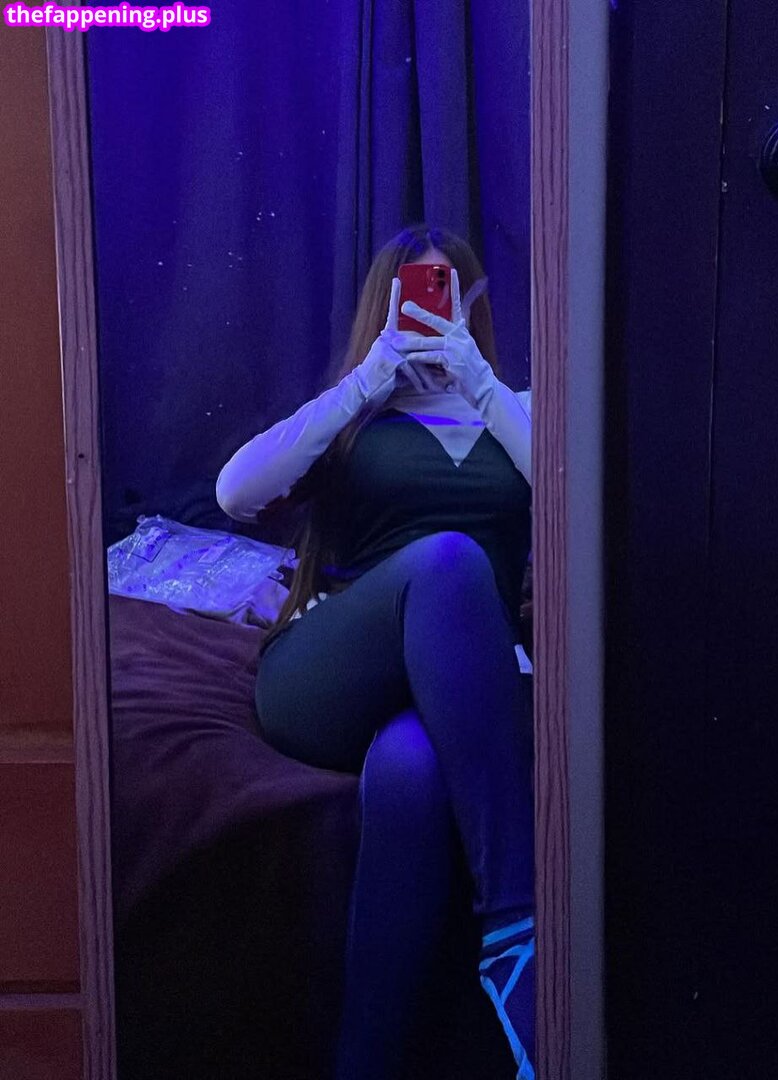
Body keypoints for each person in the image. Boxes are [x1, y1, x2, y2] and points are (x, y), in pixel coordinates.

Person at [216, 224, 536, 1080]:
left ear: (472, 305)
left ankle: (365, 1063)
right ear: (384, 307)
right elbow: (236, 492)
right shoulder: (355, 416)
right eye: (414, 295)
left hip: (461, 680)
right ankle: (519, 925)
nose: (431, 311)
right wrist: (369, 379)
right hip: (333, 672)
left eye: (446, 292)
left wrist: (477, 380)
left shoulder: (515, 409)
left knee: (411, 770)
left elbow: (577, 489)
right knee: (449, 559)